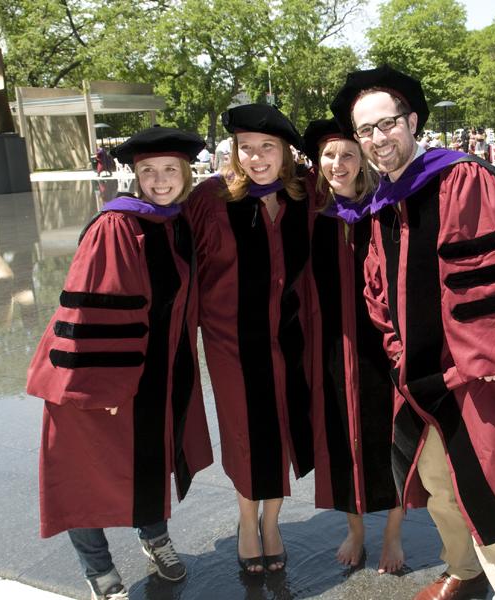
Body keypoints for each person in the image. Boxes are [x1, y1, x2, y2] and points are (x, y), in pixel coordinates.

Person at [331, 65, 495, 600]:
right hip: (417, 376)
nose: (377, 138)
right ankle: (462, 571)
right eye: (365, 130)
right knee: (439, 484)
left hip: (476, 372)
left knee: (491, 487)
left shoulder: (462, 178)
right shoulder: (383, 202)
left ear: (412, 121)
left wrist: (487, 361)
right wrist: (398, 355)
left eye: (386, 123)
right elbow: (378, 289)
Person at [25, 127, 214, 600]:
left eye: (171, 170)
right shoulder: (117, 226)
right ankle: (100, 571)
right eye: (149, 171)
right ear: (136, 176)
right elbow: (93, 307)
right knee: (84, 475)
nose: (161, 180)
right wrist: (101, 387)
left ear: (186, 173)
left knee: (149, 462)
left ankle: (155, 539)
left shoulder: (175, 223)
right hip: (97, 380)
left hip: (155, 376)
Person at [185, 104, 314, 574]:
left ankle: (273, 521)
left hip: (292, 336)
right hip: (231, 341)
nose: (257, 158)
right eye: (247, 148)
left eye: (268, 148)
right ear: (234, 152)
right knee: (244, 430)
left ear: (286, 153)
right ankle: (246, 520)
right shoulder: (210, 198)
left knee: (282, 425)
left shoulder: (304, 195)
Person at [303, 118, 417, 574]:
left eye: (348, 154)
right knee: (340, 438)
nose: (338, 164)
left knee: (389, 437)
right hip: (331, 344)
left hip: (382, 343)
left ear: (363, 157)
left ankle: (392, 533)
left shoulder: (387, 207)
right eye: (329, 156)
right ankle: (355, 529)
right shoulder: (309, 214)